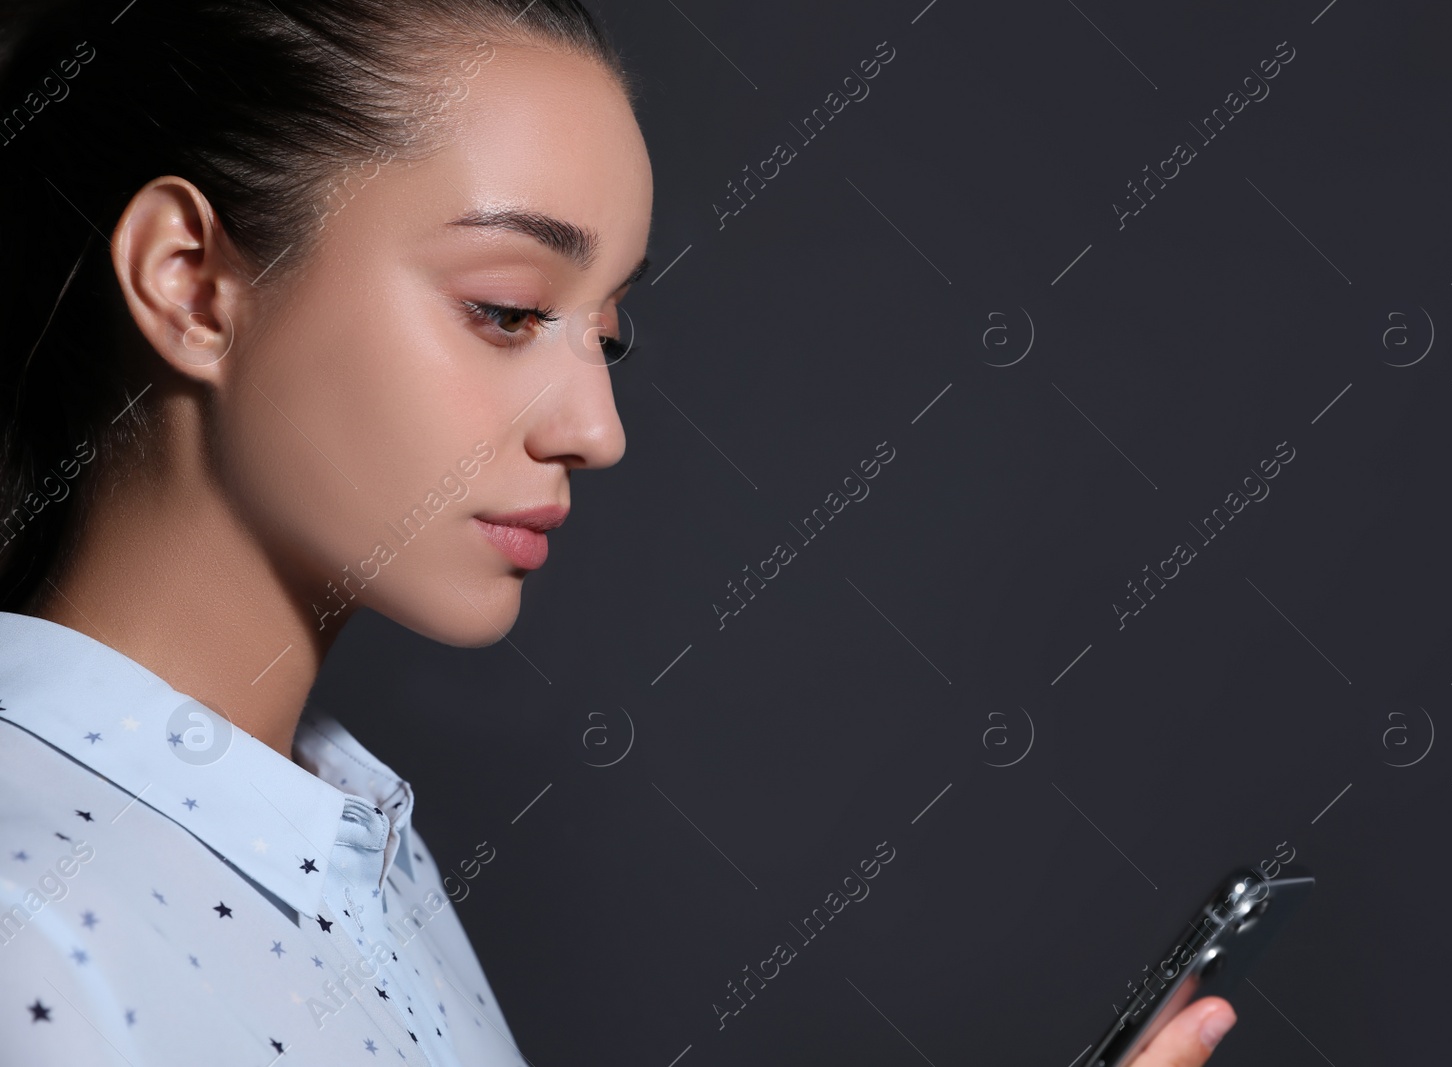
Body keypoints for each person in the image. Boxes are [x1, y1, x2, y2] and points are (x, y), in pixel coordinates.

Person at [0, 1, 1234, 1063]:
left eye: (607, 334)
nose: (596, 426)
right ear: (189, 282)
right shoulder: (29, 927)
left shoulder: (350, 839)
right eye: (506, 308)